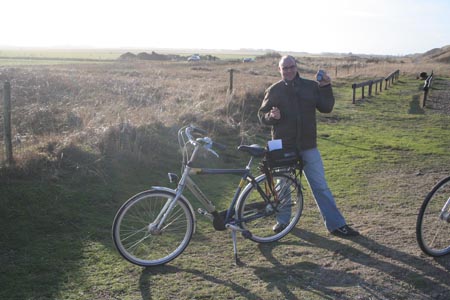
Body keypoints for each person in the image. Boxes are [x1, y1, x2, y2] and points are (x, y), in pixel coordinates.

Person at [258, 55, 359, 237]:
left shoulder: (311, 87)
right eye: (284, 68)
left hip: (307, 146)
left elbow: (326, 107)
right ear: (279, 70)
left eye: (291, 67)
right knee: (283, 186)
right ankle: (282, 222)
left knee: (320, 186)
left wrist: (326, 86)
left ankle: (336, 225)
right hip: (282, 147)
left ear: (296, 67)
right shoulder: (274, 90)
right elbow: (262, 117)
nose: (288, 70)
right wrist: (271, 117)